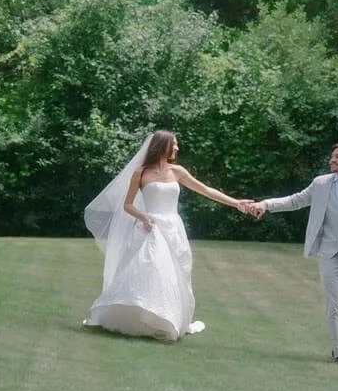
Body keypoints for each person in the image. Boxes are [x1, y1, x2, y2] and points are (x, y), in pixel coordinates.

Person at [83, 131, 257, 341]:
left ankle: (167, 318)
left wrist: (236, 203)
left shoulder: (178, 172)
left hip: (172, 228)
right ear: (162, 146)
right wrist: (144, 216)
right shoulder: (141, 173)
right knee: (149, 270)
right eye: (173, 144)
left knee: (175, 274)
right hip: (150, 228)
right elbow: (127, 205)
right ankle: (143, 317)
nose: (177, 148)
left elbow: (206, 190)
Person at [241, 142, 338, 366]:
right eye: (333, 156)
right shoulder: (320, 184)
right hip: (328, 252)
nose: (333, 160)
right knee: (335, 306)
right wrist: (266, 204)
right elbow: (295, 200)